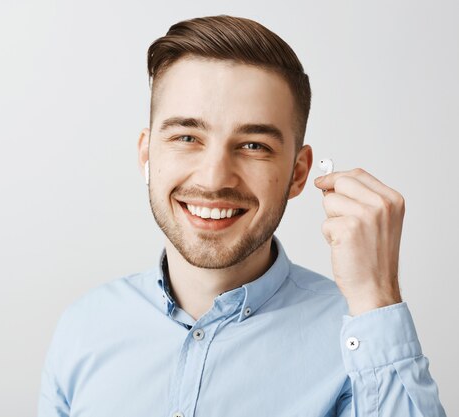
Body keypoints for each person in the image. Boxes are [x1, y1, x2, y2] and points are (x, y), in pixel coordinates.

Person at [37, 14, 446, 416]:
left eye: (253, 146)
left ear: (298, 173)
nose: (215, 179)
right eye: (186, 137)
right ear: (147, 155)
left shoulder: (360, 340)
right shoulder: (83, 328)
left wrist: (377, 298)